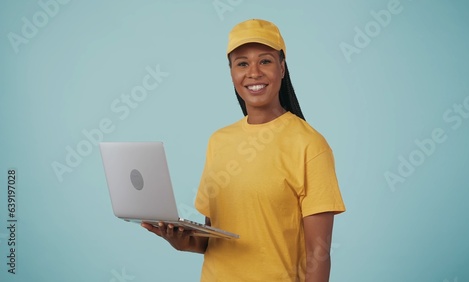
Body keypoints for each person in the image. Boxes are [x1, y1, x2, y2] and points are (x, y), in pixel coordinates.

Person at [142, 19, 345, 281]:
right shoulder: (219, 141)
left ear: (282, 68)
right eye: (242, 63)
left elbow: (319, 253)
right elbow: (210, 240)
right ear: (231, 73)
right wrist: (178, 240)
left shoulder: (310, 145)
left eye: (265, 61)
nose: (254, 72)